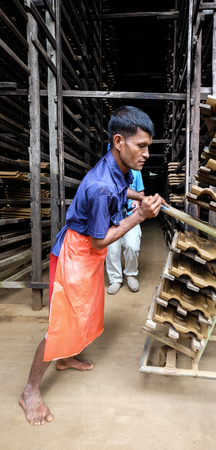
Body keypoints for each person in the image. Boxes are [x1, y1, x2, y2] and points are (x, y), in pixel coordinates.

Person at [19, 105, 164, 426]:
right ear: (118, 141)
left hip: (85, 251)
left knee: (83, 313)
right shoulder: (100, 187)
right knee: (61, 323)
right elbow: (101, 241)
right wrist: (139, 216)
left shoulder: (116, 165)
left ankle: (65, 358)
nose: (146, 154)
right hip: (77, 252)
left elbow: (121, 189)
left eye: (148, 146)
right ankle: (30, 391)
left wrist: (140, 199)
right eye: (141, 146)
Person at [106, 169, 145, 294]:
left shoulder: (136, 172)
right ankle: (115, 279)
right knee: (112, 249)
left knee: (132, 245)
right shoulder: (108, 171)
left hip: (130, 216)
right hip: (113, 218)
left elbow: (141, 192)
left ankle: (130, 274)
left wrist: (138, 201)